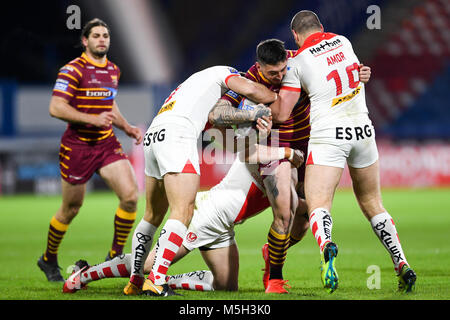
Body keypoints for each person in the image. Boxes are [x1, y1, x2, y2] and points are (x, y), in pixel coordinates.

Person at [269, 10, 417, 293]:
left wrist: (258, 108)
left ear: (295, 37)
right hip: (363, 130)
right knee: (373, 202)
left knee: (318, 203)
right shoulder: (343, 41)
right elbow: (356, 74)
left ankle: (326, 246)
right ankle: (401, 263)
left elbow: (283, 111)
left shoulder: (296, 62)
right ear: (322, 27)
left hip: (329, 135)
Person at [214, 39, 372, 293]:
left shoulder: (300, 63)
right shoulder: (248, 80)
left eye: (282, 71)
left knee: (305, 217)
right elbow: (218, 113)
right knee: (286, 209)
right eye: (272, 73)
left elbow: (336, 74)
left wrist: (359, 73)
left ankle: (273, 251)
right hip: (277, 148)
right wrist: (251, 115)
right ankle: (274, 279)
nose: (279, 77)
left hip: (309, 143)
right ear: (259, 67)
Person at [63, 140, 307, 293]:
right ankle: (83, 275)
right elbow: (248, 152)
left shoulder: (288, 165)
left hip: (223, 226)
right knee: (148, 264)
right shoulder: (272, 150)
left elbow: (295, 206)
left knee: (226, 286)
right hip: (207, 216)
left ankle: (169, 279)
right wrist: (287, 152)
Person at [124, 65, 277, 296]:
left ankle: (136, 280)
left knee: (151, 215)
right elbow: (255, 92)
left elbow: (226, 138)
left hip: (155, 133)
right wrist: (274, 100)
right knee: (183, 212)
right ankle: (156, 279)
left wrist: (253, 133)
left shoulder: (195, 86)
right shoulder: (228, 74)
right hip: (178, 134)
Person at [37, 18, 143, 282]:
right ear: (85, 41)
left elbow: (110, 104)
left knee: (130, 196)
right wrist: (91, 119)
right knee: (71, 207)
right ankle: (48, 259)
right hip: (78, 147)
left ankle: (114, 255)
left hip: (106, 143)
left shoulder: (113, 71)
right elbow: (56, 107)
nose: (101, 40)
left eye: (105, 35)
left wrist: (126, 126)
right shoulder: (72, 70)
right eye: (96, 35)